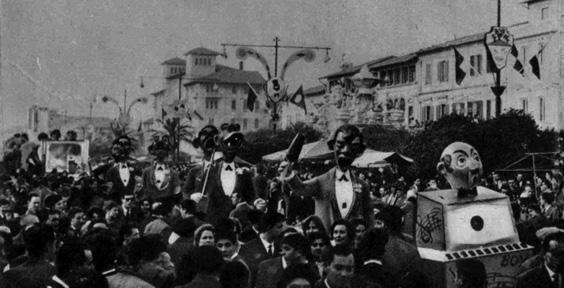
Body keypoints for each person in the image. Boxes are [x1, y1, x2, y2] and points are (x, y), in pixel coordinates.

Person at [283, 125, 373, 232]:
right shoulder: (322, 181)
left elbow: (369, 214)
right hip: (325, 241)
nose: (346, 150)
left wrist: (371, 237)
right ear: (333, 146)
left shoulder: (362, 185)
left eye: (353, 146)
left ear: (359, 151)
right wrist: (288, 171)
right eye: (340, 145)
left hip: (352, 244)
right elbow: (300, 188)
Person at [189, 123, 256, 226]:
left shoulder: (244, 173)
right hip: (214, 221)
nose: (231, 147)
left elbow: (251, 197)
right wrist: (195, 197)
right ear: (219, 144)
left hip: (238, 223)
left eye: (235, 143)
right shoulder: (211, 171)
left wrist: (248, 205)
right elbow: (201, 195)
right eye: (227, 142)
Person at [239, 212, 284, 287]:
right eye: (279, 227)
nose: (282, 230)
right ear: (269, 227)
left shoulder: (281, 247)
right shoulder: (247, 248)